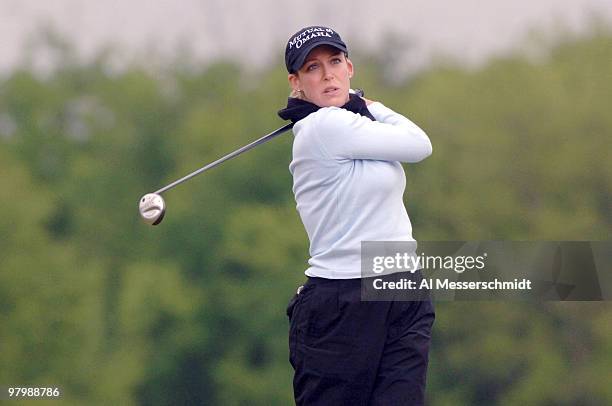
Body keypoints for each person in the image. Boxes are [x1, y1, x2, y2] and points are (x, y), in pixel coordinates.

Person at [278, 26, 435, 406]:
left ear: (350, 67)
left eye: (334, 62)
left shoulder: (351, 123)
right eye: (313, 68)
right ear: (296, 82)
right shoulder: (324, 126)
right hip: (343, 303)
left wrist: (361, 105)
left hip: (401, 288)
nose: (328, 74)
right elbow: (419, 144)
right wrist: (370, 105)